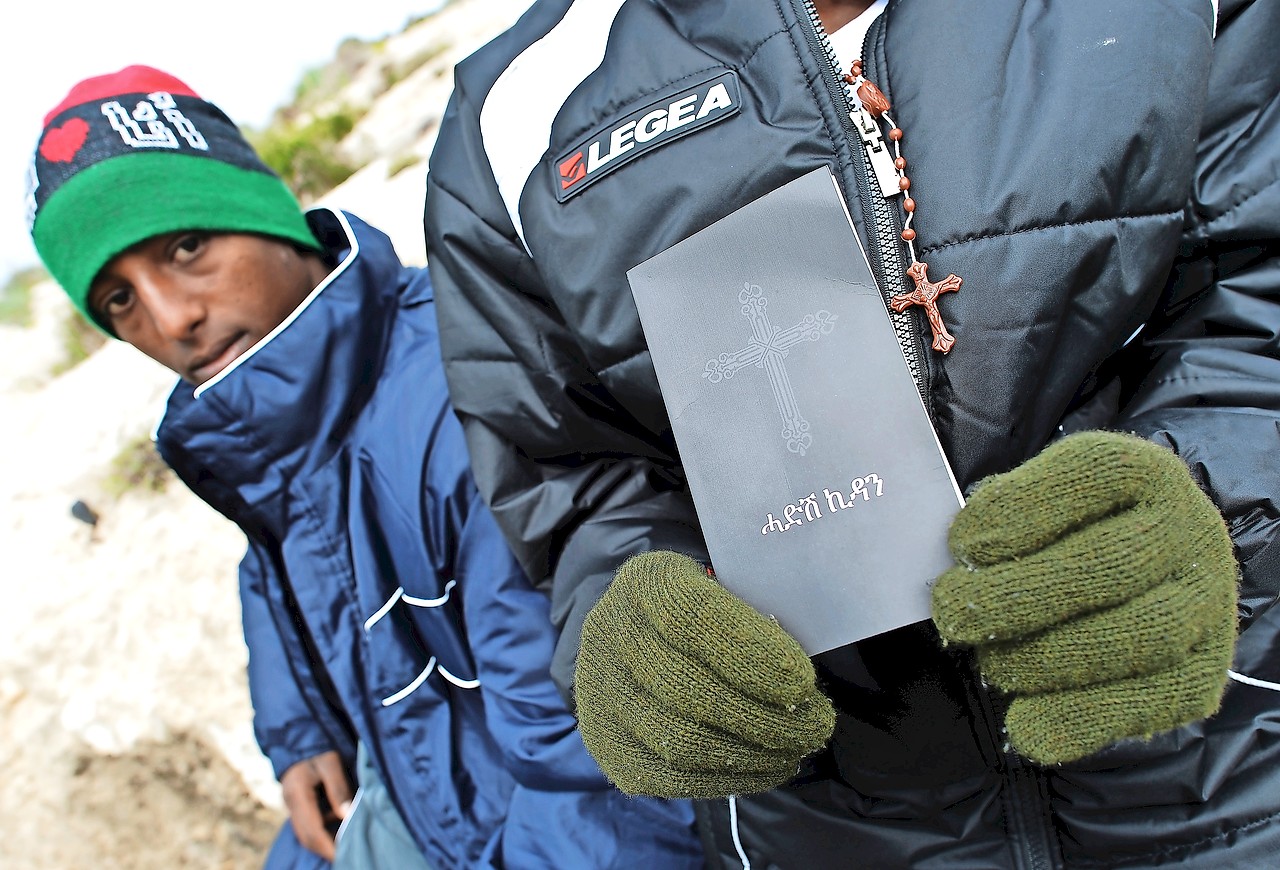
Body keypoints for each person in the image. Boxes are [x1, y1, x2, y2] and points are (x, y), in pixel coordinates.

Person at [423, 0, 1280, 866]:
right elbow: (571, 471)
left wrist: (1215, 506)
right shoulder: (513, 117)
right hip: (825, 823)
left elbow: (1257, 282)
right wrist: (630, 632)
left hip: (1229, 751)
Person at [26, 65, 705, 870]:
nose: (173, 320)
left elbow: (601, 785)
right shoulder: (270, 433)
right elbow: (276, 564)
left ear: (266, 214)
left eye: (187, 246)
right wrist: (300, 732)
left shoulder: (465, 406)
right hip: (408, 788)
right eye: (120, 301)